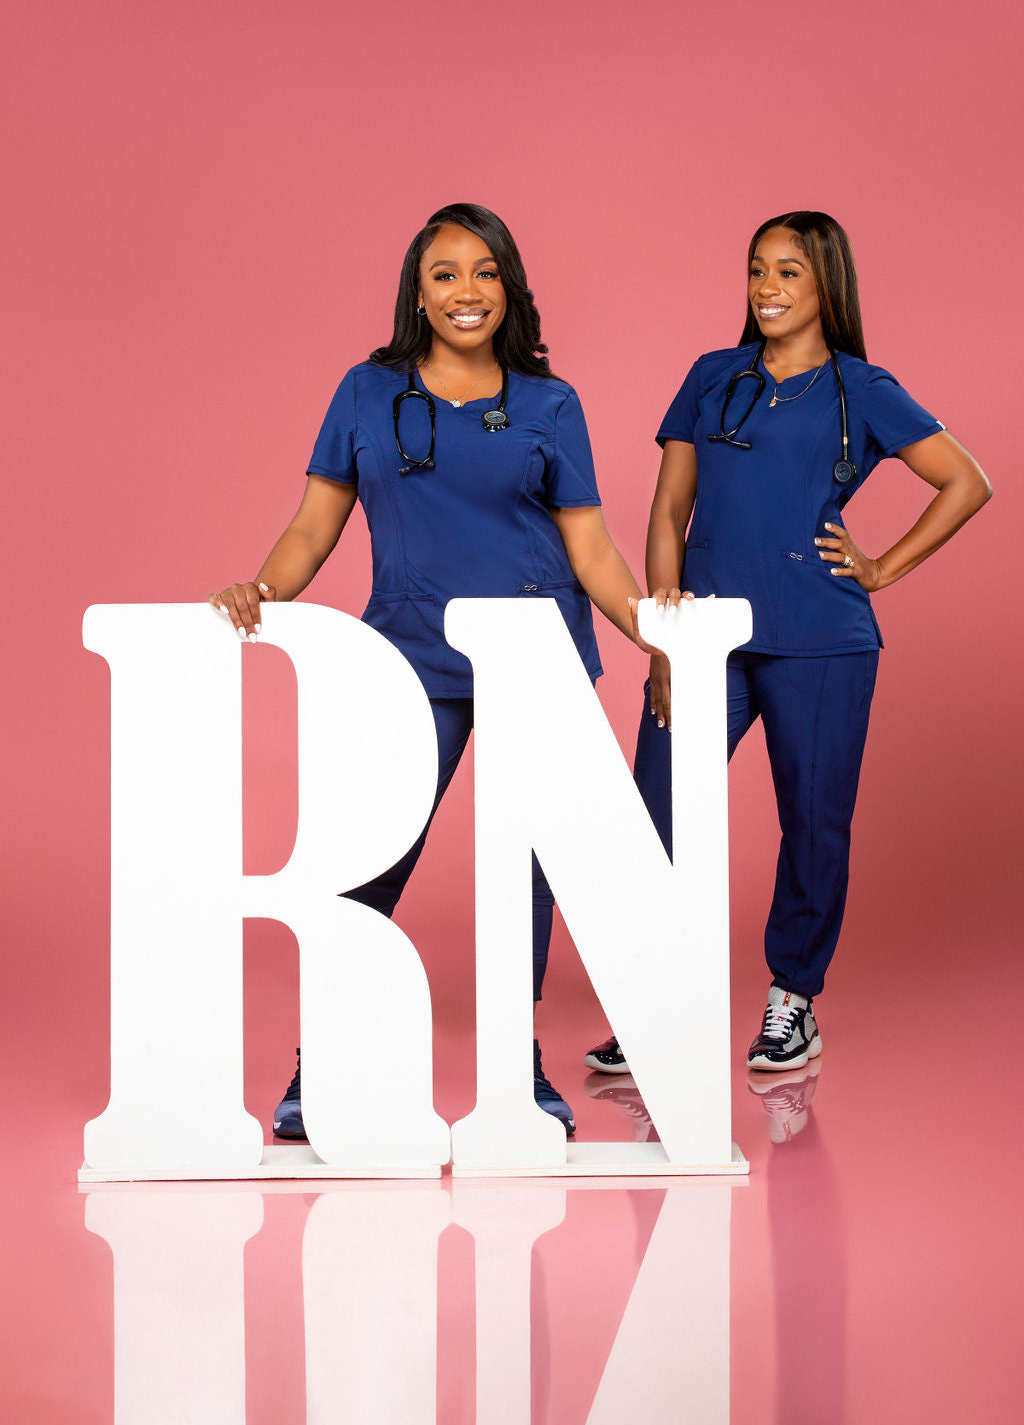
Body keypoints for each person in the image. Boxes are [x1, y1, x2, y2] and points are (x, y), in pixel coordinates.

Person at [212, 203, 651, 1138]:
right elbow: (314, 523)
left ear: (510, 289)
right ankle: (318, 1066)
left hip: (537, 656)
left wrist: (654, 631)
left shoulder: (548, 402)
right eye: (445, 273)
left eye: (485, 272)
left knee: (529, 869)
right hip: (410, 652)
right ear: (418, 290)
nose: (466, 292)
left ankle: (515, 1066)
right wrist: (261, 589)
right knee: (370, 858)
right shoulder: (367, 392)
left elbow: (592, 547)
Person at [584, 211, 991, 1076]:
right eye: (757, 271)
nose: (767, 288)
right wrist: (664, 641)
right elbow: (667, 512)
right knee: (652, 813)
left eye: (789, 274)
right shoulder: (712, 376)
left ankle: (791, 1002)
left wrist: (881, 568)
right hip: (706, 644)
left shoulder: (862, 389)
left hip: (821, 638)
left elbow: (968, 481)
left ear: (825, 287)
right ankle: (653, 1000)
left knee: (813, 822)